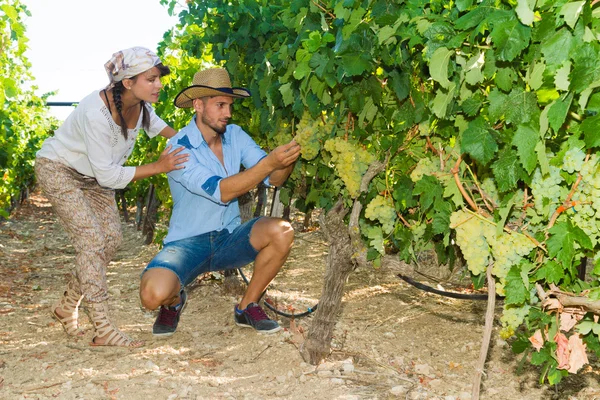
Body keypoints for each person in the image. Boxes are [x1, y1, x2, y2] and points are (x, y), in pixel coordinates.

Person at [35, 46, 188, 347]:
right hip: (59, 170)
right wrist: (159, 167)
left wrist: (200, 142)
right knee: (92, 240)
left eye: (158, 78)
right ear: (128, 82)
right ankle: (103, 327)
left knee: (111, 241)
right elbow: (107, 176)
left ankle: (66, 307)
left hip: (95, 177)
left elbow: (166, 131)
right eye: (151, 79)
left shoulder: (141, 107)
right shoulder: (96, 112)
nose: (158, 85)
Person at [139, 67, 301, 336]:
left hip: (228, 238)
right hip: (186, 244)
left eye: (229, 105)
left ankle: (247, 306)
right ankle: (174, 301)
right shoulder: (179, 148)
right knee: (151, 295)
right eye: (221, 105)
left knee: (282, 231)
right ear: (198, 105)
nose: (228, 113)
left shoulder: (235, 135)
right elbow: (222, 191)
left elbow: (274, 179)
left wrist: (288, 158)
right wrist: (270, 163)